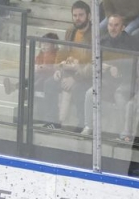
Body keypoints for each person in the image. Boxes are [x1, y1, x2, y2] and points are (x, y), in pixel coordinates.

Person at [39, 0, 93, 131]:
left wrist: (76, 78)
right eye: (75, 15)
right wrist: (58, 69)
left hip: (85, 76)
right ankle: (52, 121)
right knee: (49, 83)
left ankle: (81, 125)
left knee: (79, 89)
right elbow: (62, 53)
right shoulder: (71, 31)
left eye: (81, 15)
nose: (77, 18)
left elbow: (93, 64)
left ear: (89, 16)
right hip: (68, 71)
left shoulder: (95, 34)